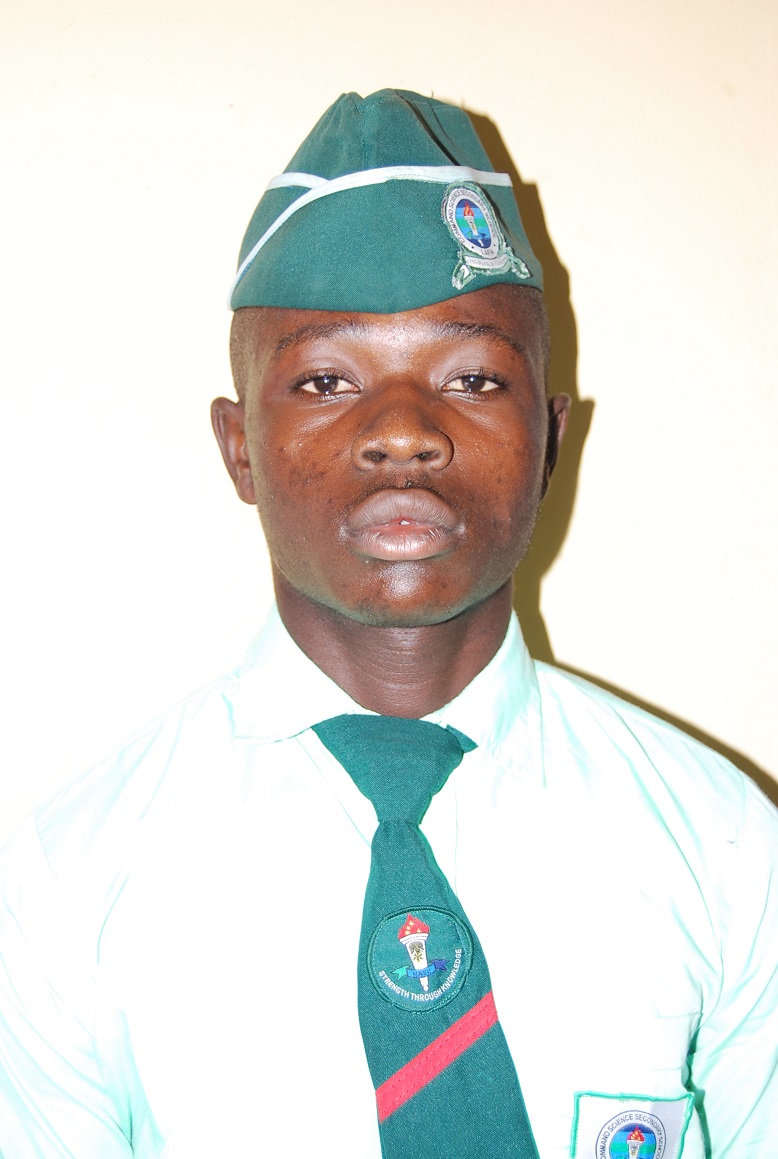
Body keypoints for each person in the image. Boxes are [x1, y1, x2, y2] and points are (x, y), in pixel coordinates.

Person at [0, 89, 776, 1158]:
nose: (404, 431)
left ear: (551, 441)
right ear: (238, 446)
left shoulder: (727, 848)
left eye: (473, 377)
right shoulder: (66, 881)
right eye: (326, 379)